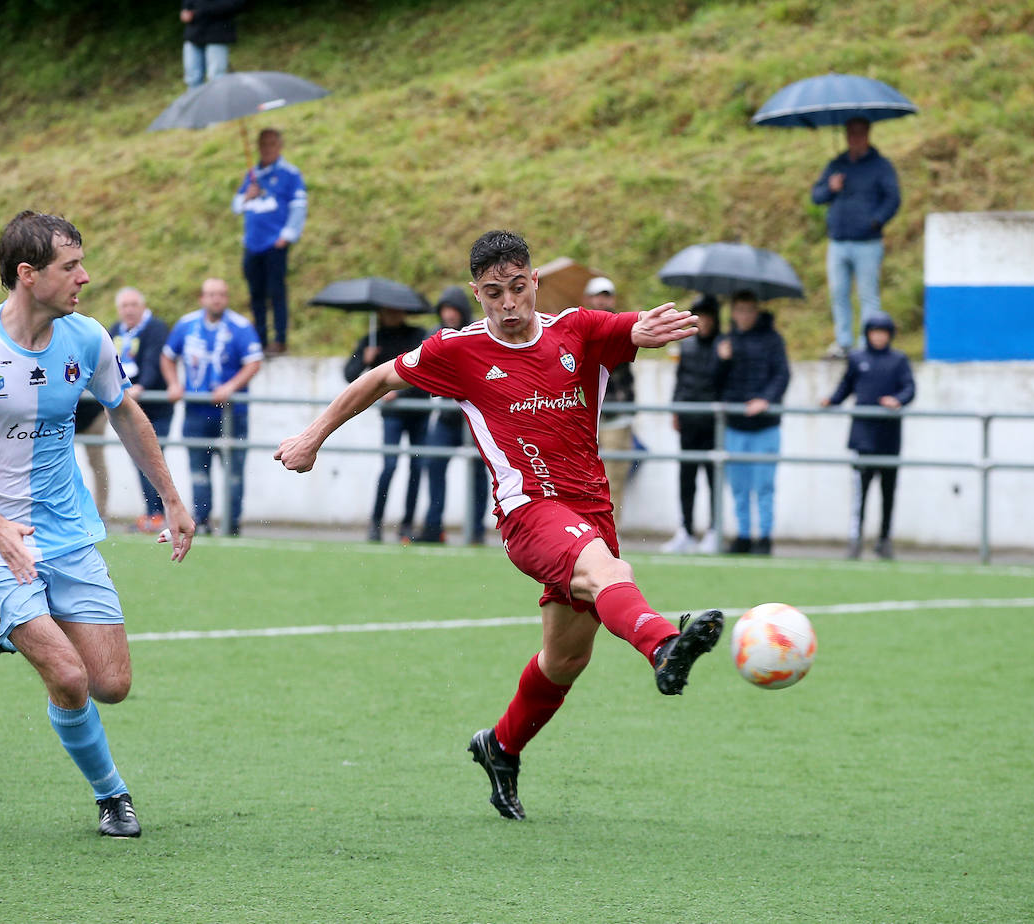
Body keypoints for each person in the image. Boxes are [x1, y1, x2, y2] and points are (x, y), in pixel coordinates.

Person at [277, 230, 723, 821]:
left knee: (565, 660)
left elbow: (630, 327)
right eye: (493, 294)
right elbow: (380, 377)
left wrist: (643, 329)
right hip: (528, 513)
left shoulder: (578, 329)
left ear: (535, 282)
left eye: (517, 288)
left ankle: (500, 746)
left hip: (591, 512)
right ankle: (664, 644)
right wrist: (312, 436)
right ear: (476, 294)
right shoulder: (457, 351)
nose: (508, 304)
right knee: (609, 570)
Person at [0, 211, 195, 838]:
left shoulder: (87, 338)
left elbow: (126, 413)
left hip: (66, 532)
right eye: (70, 266)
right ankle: (112, 796)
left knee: (112, 684)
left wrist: (171, 499)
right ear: (28, 275)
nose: (85, 277)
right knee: (69, 678)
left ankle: (4, 632)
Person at [162, 277, 262, 535]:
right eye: (211, 294)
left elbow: (254, 362)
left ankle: (232, 523)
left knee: (234, 471)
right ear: (202, 298)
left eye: (221, 294)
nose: (216, 299)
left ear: (226, 298)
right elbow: (167, 357)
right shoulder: (187, 325)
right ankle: (202, 521)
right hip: (196, 412)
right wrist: (174, 384)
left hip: (232, 413)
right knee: (198, 469)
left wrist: (231, 387)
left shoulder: (240, 326)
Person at [820, 313, 915, 560]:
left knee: (888, 493)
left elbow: (909, 388)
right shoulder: (857, 358)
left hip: (889, 438)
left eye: (883, 332)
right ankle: (856, 539)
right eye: (875, 331)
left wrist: (897, 400)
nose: (879, 336)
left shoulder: (898, 360)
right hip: (863, 438)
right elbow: (846, 386)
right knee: (860, 492)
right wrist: (832, 400)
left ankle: (884, 539)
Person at [810, 117, 901, 359]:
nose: (855, 138)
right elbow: (817, 196)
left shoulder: (881, 166)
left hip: (868, 242)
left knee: (867, 294)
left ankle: (867, 344)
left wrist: (875, 221)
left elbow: (893, 199)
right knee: (838, 293)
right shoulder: (836, 165)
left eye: (859, 133)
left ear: (868, 134)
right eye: (851, 133)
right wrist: (831, 188)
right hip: (838, 240)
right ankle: (843, 342)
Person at [344, 306, 429, 543]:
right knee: (389, 466)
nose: (393, 314)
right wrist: (364, 359)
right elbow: (350, 375)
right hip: (392, 415)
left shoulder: (417, 336)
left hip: (418, 412)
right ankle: (376, 522)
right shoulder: (373, 339)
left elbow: (426, 374)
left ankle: (407, 525)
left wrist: (398, 396)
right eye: (388, 312)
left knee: (416, 468)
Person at [716, 290, 790, 555]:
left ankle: (765, 538)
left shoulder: (772, 340)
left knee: (764, 486)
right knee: (738, 486)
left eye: (748, 310)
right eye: (739, 310)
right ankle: (744, 535)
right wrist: (722, 361)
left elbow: (782, 375)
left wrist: (765, 400)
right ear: (733, 313)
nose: (744, 315)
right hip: (735, 426)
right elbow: (716, 382)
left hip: (765, 426)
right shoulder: (726, 341)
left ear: (756, 312)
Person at [416, 285, 490, 545]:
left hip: (475, 418)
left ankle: (477, 530)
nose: (448, 315)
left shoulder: (478, 333)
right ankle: (433, 527)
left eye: (452, 309)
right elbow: (422, 370)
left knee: (480, 474)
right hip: (448, 417)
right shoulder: (434, 335)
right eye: (444, 310)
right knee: (433, 465)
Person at [232, 128, 307, 356]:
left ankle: (280, 339)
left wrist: (287, 236)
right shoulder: (252, 175)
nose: (267, 148)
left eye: (272, 144)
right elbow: (236, 206)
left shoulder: (290, 174)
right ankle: (261, 339)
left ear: (279, 146)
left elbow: (299, 206)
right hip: (252, 244)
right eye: (263, 144)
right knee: (256, 294)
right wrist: (248, 195)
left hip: (274, 244)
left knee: (276, 292)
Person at [661, 294, 721, 555]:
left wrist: (725, 359)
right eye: (700, 316)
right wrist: (676, 409)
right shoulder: (687, 346)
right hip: (689, 420)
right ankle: (686, 529)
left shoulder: (724, 346)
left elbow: (725, 382)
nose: (704, 321)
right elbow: (681, 380)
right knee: (687, 477)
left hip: (713, 422)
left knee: (713, 477)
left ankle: (714, 530)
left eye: (708, 316)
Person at [110, 287, 173, 533]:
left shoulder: (155, 328)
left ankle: (161, 512)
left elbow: (153, 360)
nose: (129, 310)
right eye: (124, 306)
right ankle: (152, 512)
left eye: (133, 304)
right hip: (130, 409)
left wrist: (142, 385)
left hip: (156, 408)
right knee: (139, 459)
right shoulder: (116, 331)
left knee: (155, 458)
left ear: (142, 306)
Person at [585, 276, 638, 519]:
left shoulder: (625, 327)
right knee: (585, 481)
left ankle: (611, 536)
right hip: (586, 419)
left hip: (616, 415)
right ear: (590, 299)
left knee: (614, 480)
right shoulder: (578, 329)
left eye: (606, 296)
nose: (602, 300)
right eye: (598, 296)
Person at [180, 1, 243, 89]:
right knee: (193, 79)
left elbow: (236, 5)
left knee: (217, 78)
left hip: (218, 35)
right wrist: (185, 12)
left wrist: (200, 11)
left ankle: (217, 102)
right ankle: (197, 102)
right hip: (194, 35)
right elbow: (187, 6)